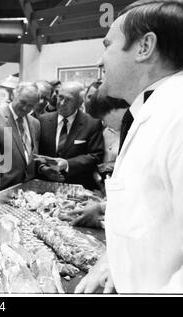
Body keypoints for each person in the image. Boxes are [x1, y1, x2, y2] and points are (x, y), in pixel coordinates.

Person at [76, 0, 183, 293]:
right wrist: (114, 259)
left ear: (144, 46)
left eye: (108, 44)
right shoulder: (151, 110)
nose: (100, 61)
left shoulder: (178, 116)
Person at [37, 81, 105, 190]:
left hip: (77, 188)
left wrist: (68, 164)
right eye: (60, 97)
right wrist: (43, 168)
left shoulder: (92, 123)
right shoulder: (42, 120)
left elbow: (95, 156)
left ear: (79, 102)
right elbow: (36, 153)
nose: (62, 103)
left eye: (68, 100)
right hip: (45, 187)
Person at [0, 82, 41, 190]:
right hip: (2, 188)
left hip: (27, 190)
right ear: (14, 95)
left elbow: (31, 155)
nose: (25, 108)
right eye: (22, 102)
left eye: (30, 106)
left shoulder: (35, 123)